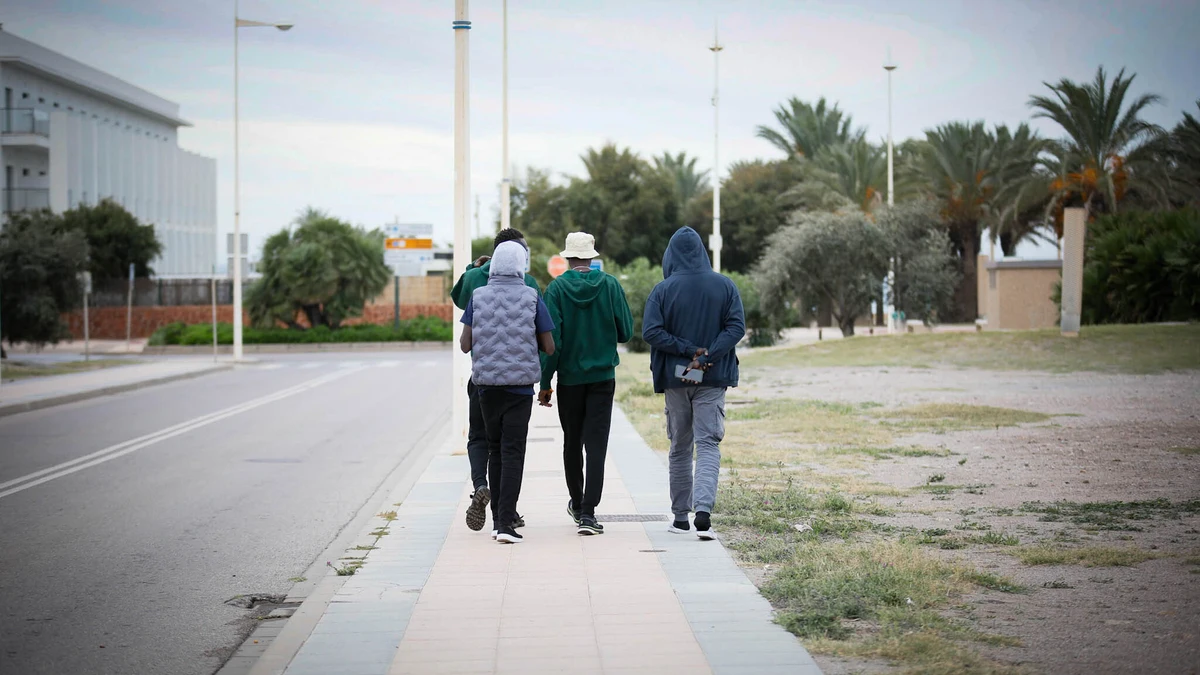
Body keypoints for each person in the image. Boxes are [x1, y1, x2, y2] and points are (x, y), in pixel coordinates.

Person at [642, 226, 745, 540]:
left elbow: (651, 332)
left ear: (671, 255)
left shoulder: (662, 290)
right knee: (708, 443)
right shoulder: (725, 286)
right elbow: (736, 327)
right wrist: (707, 355)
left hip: (676, 377)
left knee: (680, 446)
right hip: (712, 376)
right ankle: (704, 513)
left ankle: (680, 518)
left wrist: (688, 351)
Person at [537, 232, 634, 536]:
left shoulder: (556, 289)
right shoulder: (611, 285)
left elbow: (552, 342)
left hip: (569, 380)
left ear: (567, 257)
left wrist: (545, 382)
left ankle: (577, 505)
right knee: (596, 445)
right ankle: (589, 513)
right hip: (603, 379)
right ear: (592, 257)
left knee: (572, 442)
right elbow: (626, 332)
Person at [459, 241, 555, 544]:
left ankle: (496, 522)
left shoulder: (478, 296)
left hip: (486, 387)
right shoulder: (531, 296)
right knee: (514, 451)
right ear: (519, 266)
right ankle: (505, 523)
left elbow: (465, 344)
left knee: (495, 450)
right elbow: (549, 346)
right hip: (519, 388)